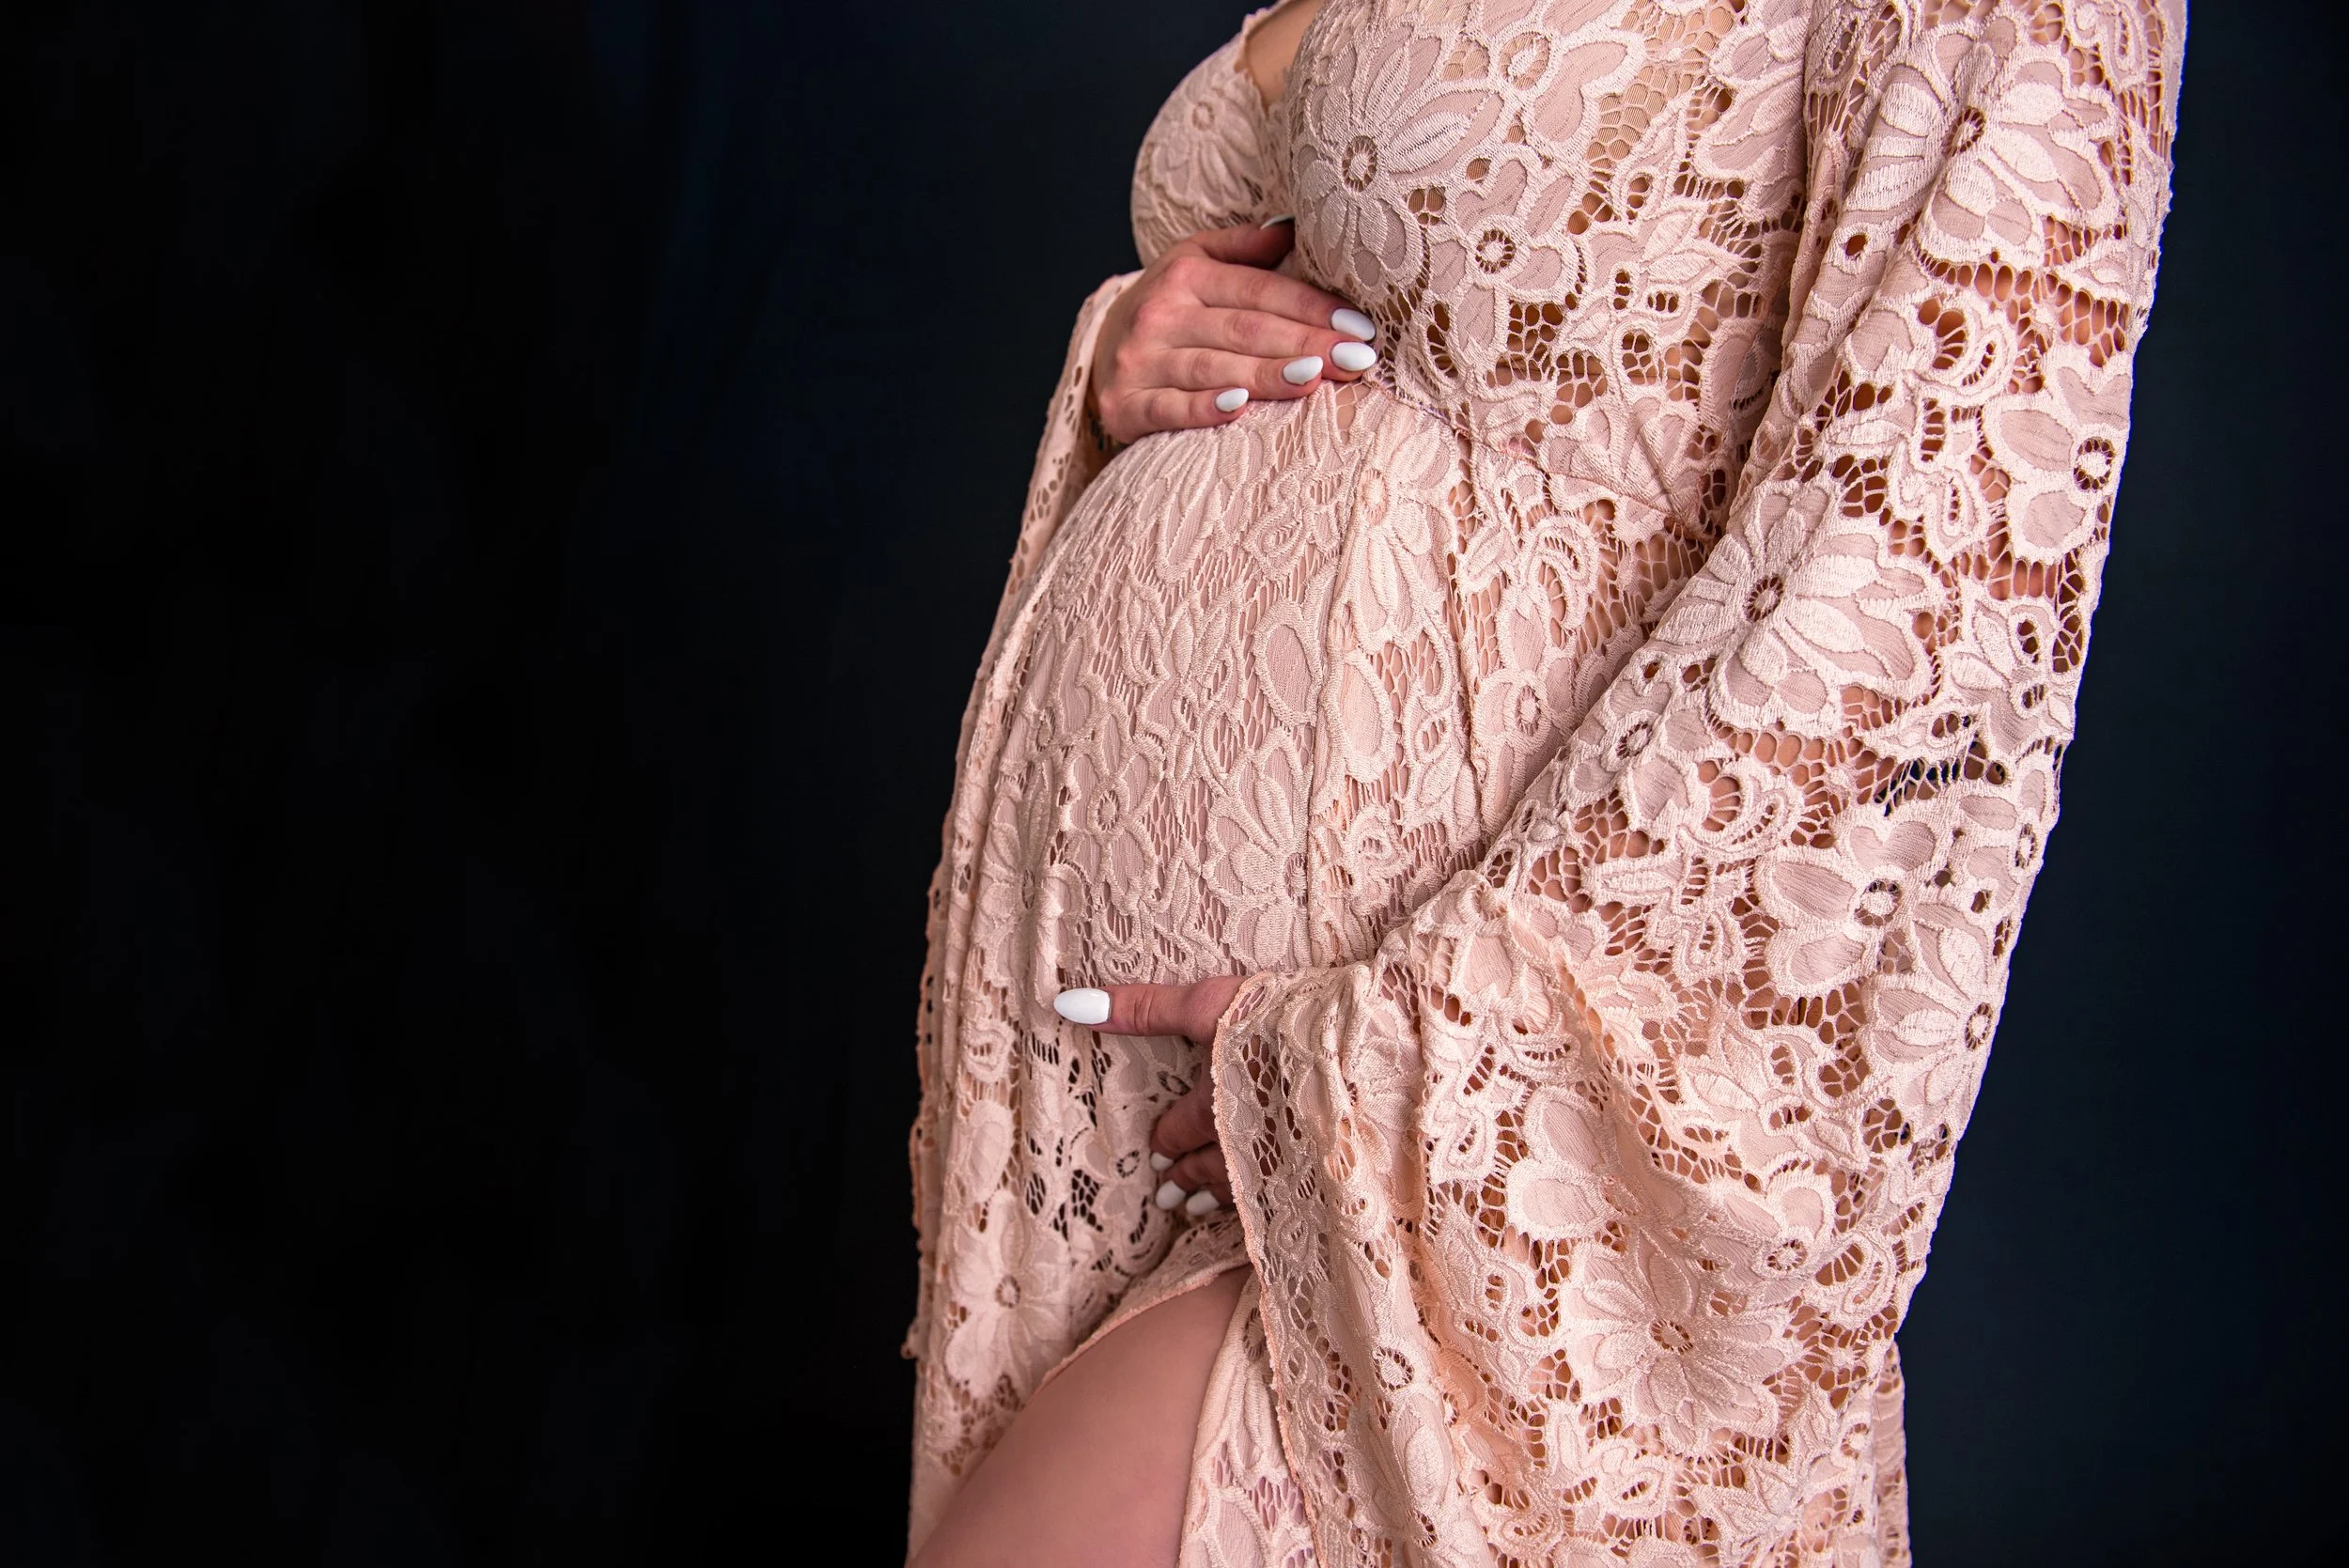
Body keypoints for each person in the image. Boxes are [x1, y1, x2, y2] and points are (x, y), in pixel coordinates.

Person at [903, 2, 2184, 1562]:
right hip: (1113, 1102)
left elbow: (1927, 577)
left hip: (1446, 1102)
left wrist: (1410, 1069)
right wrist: (1125, 343)